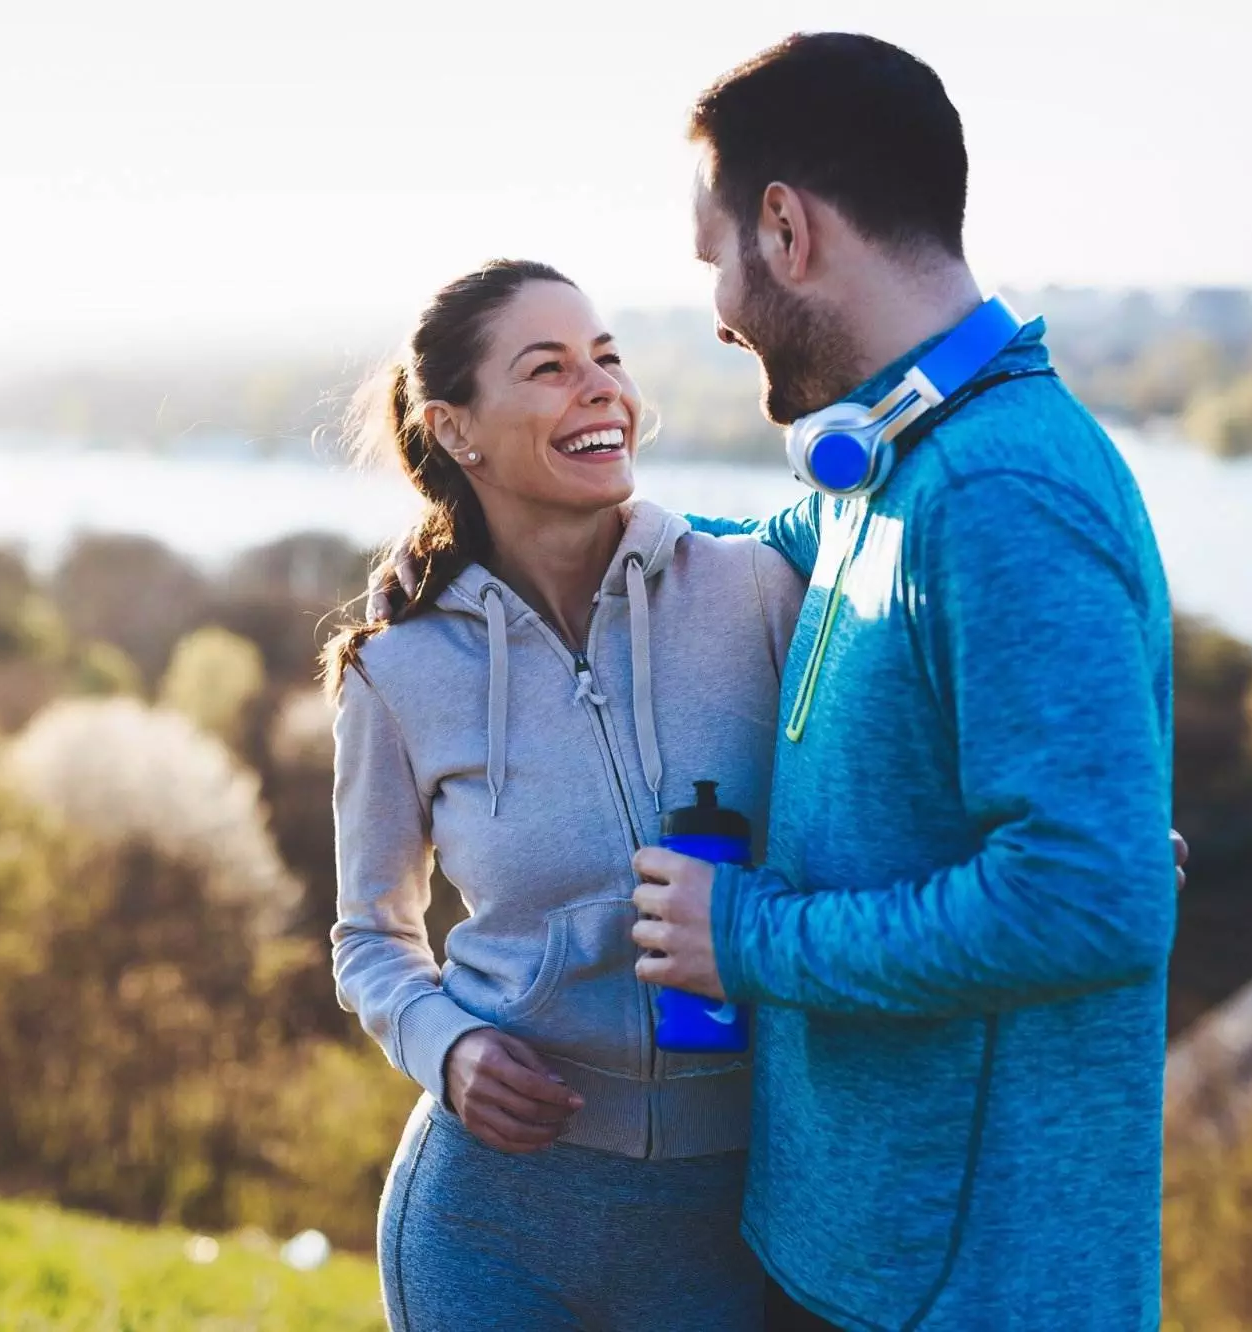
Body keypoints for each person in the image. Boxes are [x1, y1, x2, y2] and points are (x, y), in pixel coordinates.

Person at [631, 33, 1180, 1330]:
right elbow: (757, 555)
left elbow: (1092, 903)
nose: (716, 305)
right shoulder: (899, 469)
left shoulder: (998, 496)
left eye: (714, 255)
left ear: (786, 227)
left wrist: (743, 935)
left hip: (965, 1289)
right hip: (868, 1261)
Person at [325, 257, 804, 1330]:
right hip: (493, 1223)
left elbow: (896, 759)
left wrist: (1073, 827)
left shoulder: (754, 593)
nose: (599, 389)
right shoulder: (395, 670)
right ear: (457, 431)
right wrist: (445, 1048)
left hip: (731, 1212)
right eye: (546, 368)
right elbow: (369, 937)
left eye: (607, 358)